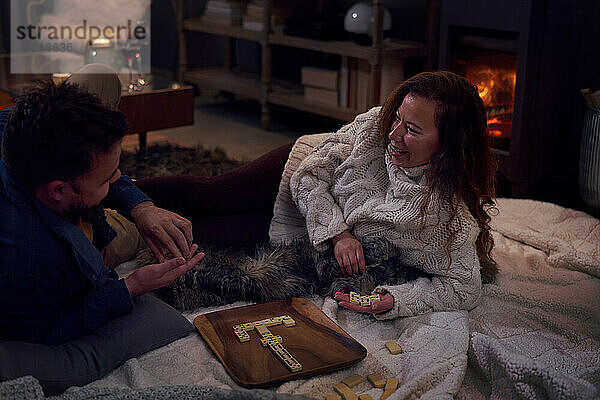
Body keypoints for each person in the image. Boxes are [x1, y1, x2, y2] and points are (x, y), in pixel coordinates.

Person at [151, 70, 497, 318]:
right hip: (297, 173)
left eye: (412, 130)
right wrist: (339, 235)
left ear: (449, 145)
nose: (394, 134)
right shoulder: (377, 127)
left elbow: (463, 288)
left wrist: (394, 300)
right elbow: (309, 175)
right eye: (397, 119)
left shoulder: (444, 217)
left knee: (202, 233)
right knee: (211, 195)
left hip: (300, 234)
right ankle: (121, 192)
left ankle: (121, 219)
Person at [0, 79, 204, 345]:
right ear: (58, 190)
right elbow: (48, 330)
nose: (120, 178)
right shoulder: (30, 266)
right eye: (106, 178)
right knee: (175, 219)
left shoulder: (19, 126)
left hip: (77, 218)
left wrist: (141, 206)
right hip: (61, 255)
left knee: (167, 207)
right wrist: (130, 287)